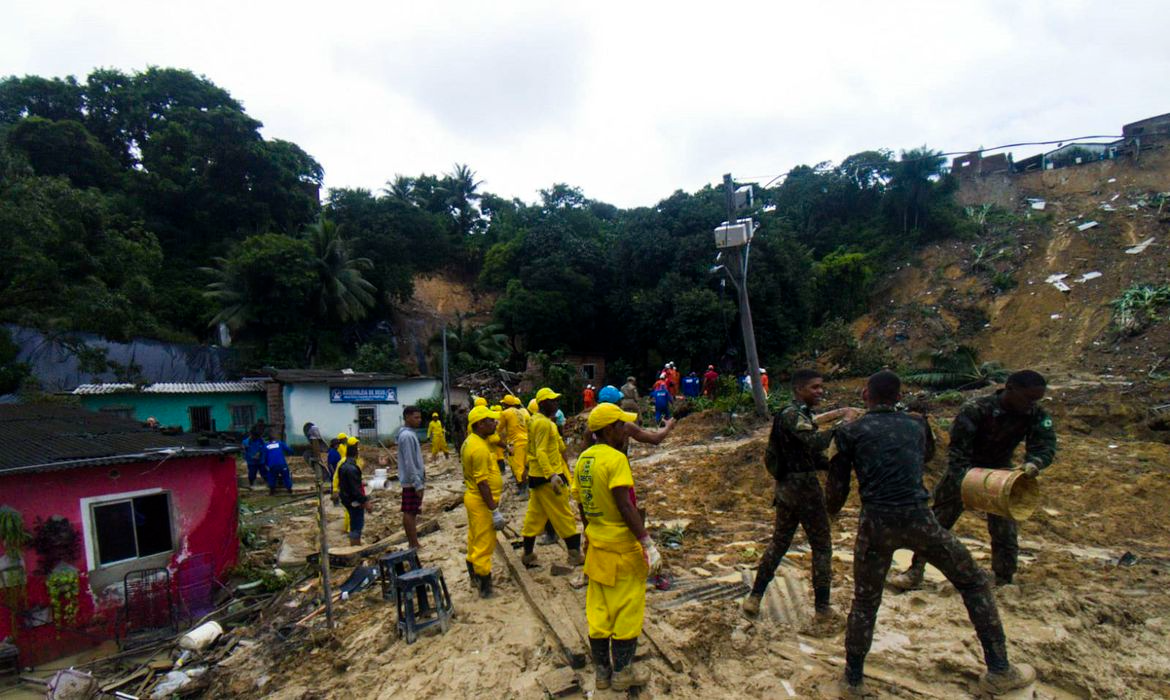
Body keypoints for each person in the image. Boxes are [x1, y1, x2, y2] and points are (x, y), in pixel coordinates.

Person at [827, 371, 1036, 697]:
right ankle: (999, 670)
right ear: (898, 396)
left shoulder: (849, 432)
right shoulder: (916, 425)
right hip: (920, 520)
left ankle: (852, 681)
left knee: (866, 602)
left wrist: (829, 509)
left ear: (866, 394)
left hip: (875, 525)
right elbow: (925, 456)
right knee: (975, 582)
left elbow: (836, 495)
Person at [889, 369, 1057, 591]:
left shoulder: (1035, 413)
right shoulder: (976, 409)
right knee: (937, 524)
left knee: (1005, 530)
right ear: (1010, 389)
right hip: (964, 470)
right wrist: (966, 481)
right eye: (1028, 398)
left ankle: (1004, 578)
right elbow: (958, 452)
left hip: (1001, 474)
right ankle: (915, 571)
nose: (1032, 403)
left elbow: (1044, 445)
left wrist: (1034, 462)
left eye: (1036, 399)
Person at [742, 369, 858, 631]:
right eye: (814, 387)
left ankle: (755, 596)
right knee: (821, 545)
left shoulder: (797, 414)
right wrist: (845, 425)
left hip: (787, 489)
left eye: (821, 386)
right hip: (804, 489)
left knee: (780, 542)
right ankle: (823, 609)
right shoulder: (793, 415)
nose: (820, 391)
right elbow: (814, 442)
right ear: (799, 390)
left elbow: (807, 453)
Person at [573, 402, 663, 691]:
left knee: (599, 611)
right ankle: (623, 673)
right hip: (622, 547)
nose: (627, 431)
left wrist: (589, 533)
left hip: (597, 546)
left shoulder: (584, 459)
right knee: (627, 610)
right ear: (610, 429)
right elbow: (625, 504)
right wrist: (646, 542)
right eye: (622, 425)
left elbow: (582, 504)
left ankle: (602, 673)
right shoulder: (615, 460)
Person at [520, 388, 584, 568]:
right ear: (542, 404)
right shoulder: (544, 424)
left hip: (537, 476)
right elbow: (540, 451)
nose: (556, 403)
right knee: (564, 514)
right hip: (549, 478)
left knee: (534, 516)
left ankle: (528, 554)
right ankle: (574, 554)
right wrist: (553, 475)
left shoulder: (536, 421)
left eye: (556, 400)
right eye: (552, 401)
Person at [462, 404, 506, 597]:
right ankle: (485, 587)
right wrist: (494, 511)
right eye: (490, 421)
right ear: (480, 424)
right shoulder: (478, 448)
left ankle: (474, 574)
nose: (495, 423)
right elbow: (482, 483)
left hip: (474, 499)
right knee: (484, 543)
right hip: (480, 501)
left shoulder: (474, 440)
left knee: (475, 537)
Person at [398, 406, 427, 551]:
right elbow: (409, 462)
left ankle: (414, 542)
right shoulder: (407, 436)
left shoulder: (409, 435)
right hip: (411, 482)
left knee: (413, 511)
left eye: (420, 417)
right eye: (416, 417)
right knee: (409, 512)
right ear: (407, 418)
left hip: (413, 480)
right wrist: (417, 483)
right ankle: (413, 543)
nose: (419, 420)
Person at [337, 442, 372, 546]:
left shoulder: (343, 466)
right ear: (356, 455)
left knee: (353, 523)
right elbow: (356, 490)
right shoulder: (353, 468)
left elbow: (346, 483)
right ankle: (355, 547)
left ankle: (354, 544)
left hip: (346, 499)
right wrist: (365, 502)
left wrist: (360, 482)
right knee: (357, 525)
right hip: (354, 501)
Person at [497, 395, 530, 493]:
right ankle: (527, 487)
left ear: (505, 404)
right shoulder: (520, 412)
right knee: (525, 466)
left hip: (516, 442)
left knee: (518, 467)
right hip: (525, 439)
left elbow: (499, 428)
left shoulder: (505, 413)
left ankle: (523, 491)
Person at [263, 431, 294, 495]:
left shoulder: (266, 446)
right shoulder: (280, 443)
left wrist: (266, 465)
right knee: (286, 476)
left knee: (272, 477)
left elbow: (264, 457)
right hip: (282, 464)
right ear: (275, 439)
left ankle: (272, 490)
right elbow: (289, 450)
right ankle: (289, 489)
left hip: (272, 465)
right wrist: (292, 452)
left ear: (268, 440)